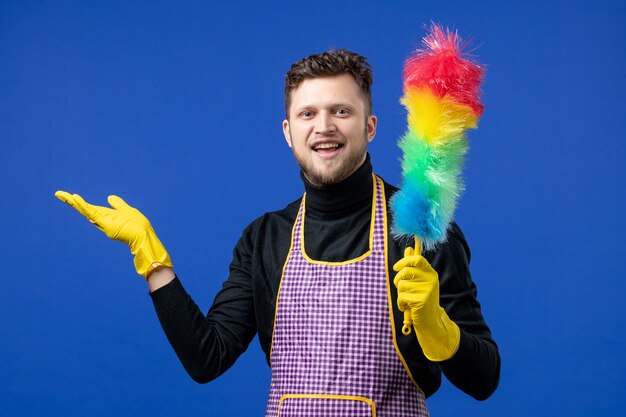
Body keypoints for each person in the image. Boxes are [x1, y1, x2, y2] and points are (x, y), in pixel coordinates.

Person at [56, 49, 500, 416]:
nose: (323, 127)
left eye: (341, 111)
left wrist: (437, 327)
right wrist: (150, 257)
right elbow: (206, 358)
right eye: (308, 113)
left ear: (370, 127)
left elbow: (485, 380)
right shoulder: (265, 237)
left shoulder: (418, 234)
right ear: (289, 132)